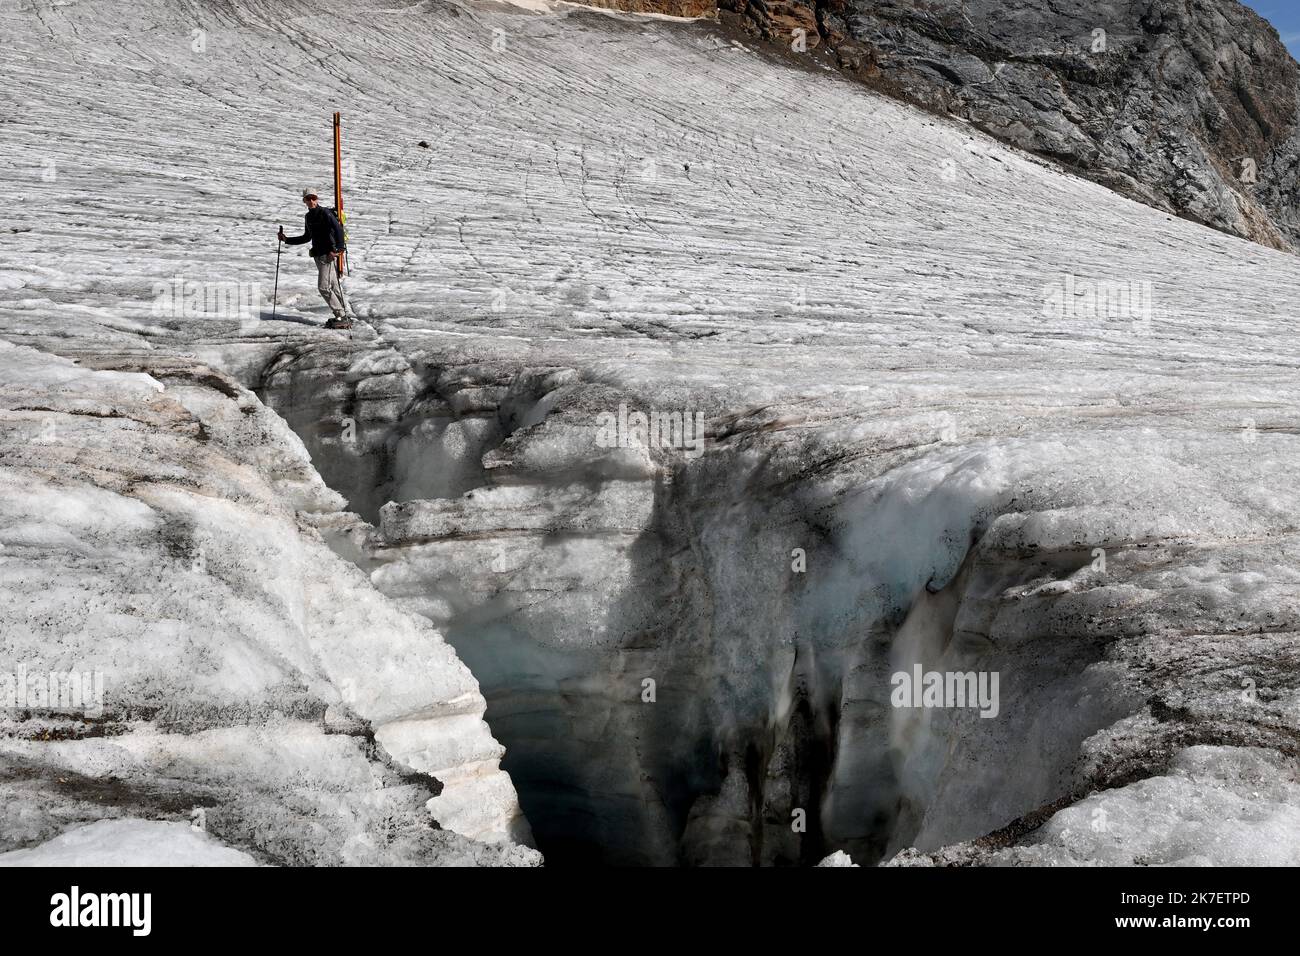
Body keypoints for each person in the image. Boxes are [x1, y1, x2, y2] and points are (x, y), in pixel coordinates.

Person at [279, 188, 354, 329]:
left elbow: (338, 229)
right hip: (318, 255)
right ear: (304, 201)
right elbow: (307, 237)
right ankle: (343, 315)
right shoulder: (308, 217)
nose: (311, 201)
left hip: (328, 254)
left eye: (313, 198)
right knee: (333, 285)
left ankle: (341, 314)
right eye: (308, 198)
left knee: (323, 287)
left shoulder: (325, 212)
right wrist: (287, 240)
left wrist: (337, 249)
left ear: (317, 199)